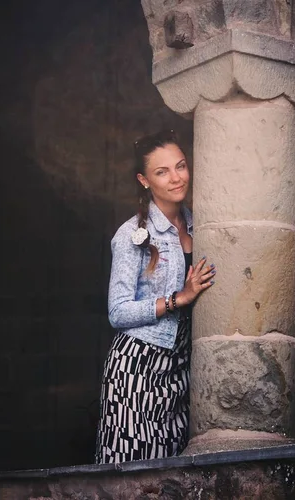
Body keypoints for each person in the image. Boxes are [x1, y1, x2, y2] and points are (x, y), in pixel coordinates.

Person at [95, 129, 216, 464]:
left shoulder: (203, 226)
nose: (176, 178)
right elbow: (117, 312)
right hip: (137, 365)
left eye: (180, 166)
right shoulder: (131, 235)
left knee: (172, 473)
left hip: (180, 369)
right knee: (132, 469)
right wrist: (179, 298)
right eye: (162, 172)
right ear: (144, 180)